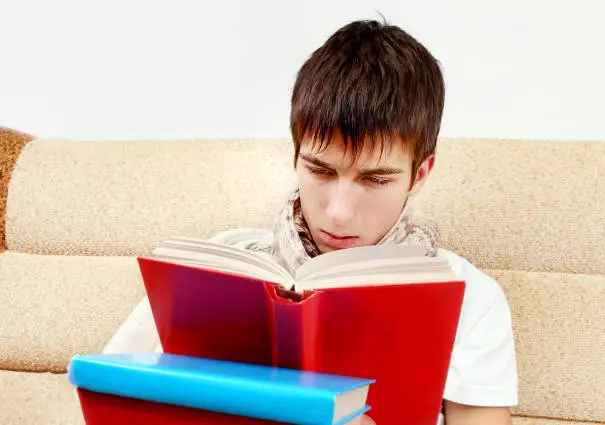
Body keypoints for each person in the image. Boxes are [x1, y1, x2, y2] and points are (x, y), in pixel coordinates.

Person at [104, 19, 518, 425]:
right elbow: (111, 394)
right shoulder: (220, 263)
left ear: (420, 175)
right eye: (320, 171)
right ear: (296, 157)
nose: (338, 213)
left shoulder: (472, 299)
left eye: (375, 179)